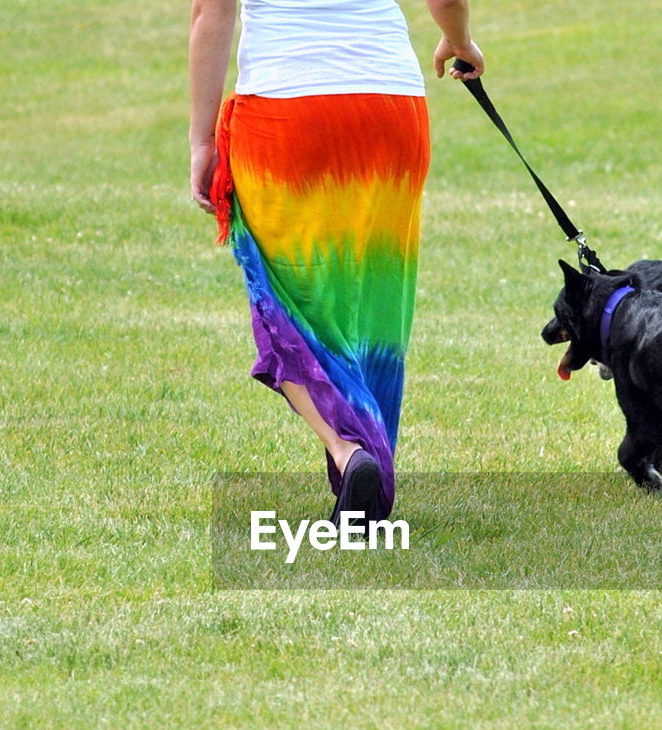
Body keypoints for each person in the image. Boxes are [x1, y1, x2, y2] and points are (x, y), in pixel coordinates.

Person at [189, 0, 483, 521]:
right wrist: (459, 40)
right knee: (374, 295)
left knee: (285, 303)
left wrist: (203, 140)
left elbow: (209, 17)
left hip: (286, 112)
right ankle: (362, 469)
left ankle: (351, 453)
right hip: (389, 105)